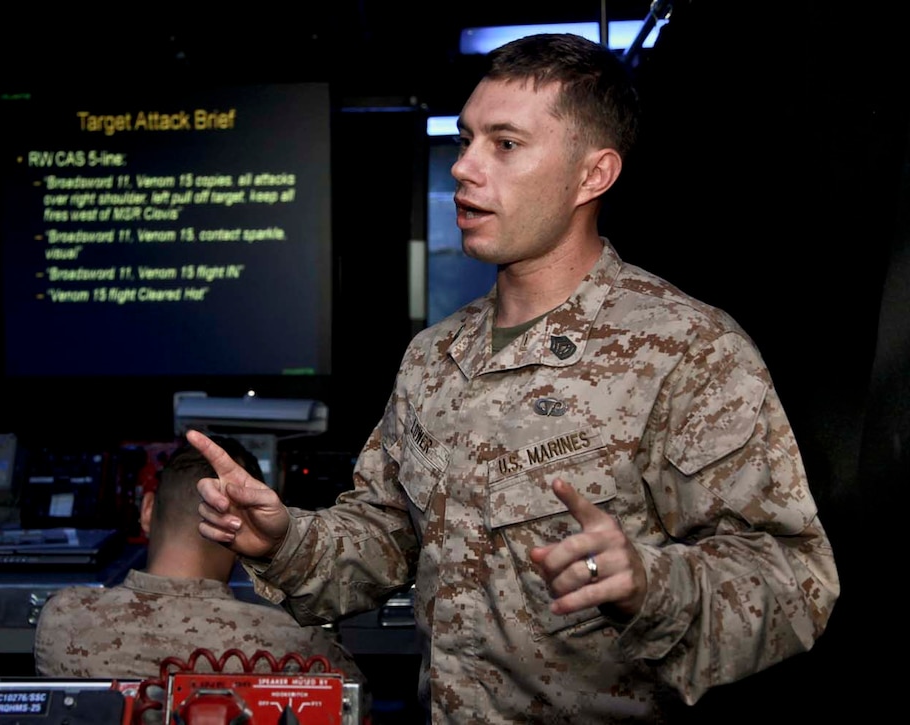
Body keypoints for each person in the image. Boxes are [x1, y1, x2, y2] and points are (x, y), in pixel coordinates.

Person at [186, 32, 839, 723]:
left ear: (593, 176)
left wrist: (652, 583)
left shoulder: (688, 350)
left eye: (504, 144)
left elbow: (794, 582)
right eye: (465, 140)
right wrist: (284, 541)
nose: (463, 167)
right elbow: (385, 537)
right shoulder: (434, 356)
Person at [33, 435, 367, 691]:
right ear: (249, 527)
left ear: (147, 510)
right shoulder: (296, 646)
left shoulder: (62, 618)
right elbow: (355, 702)